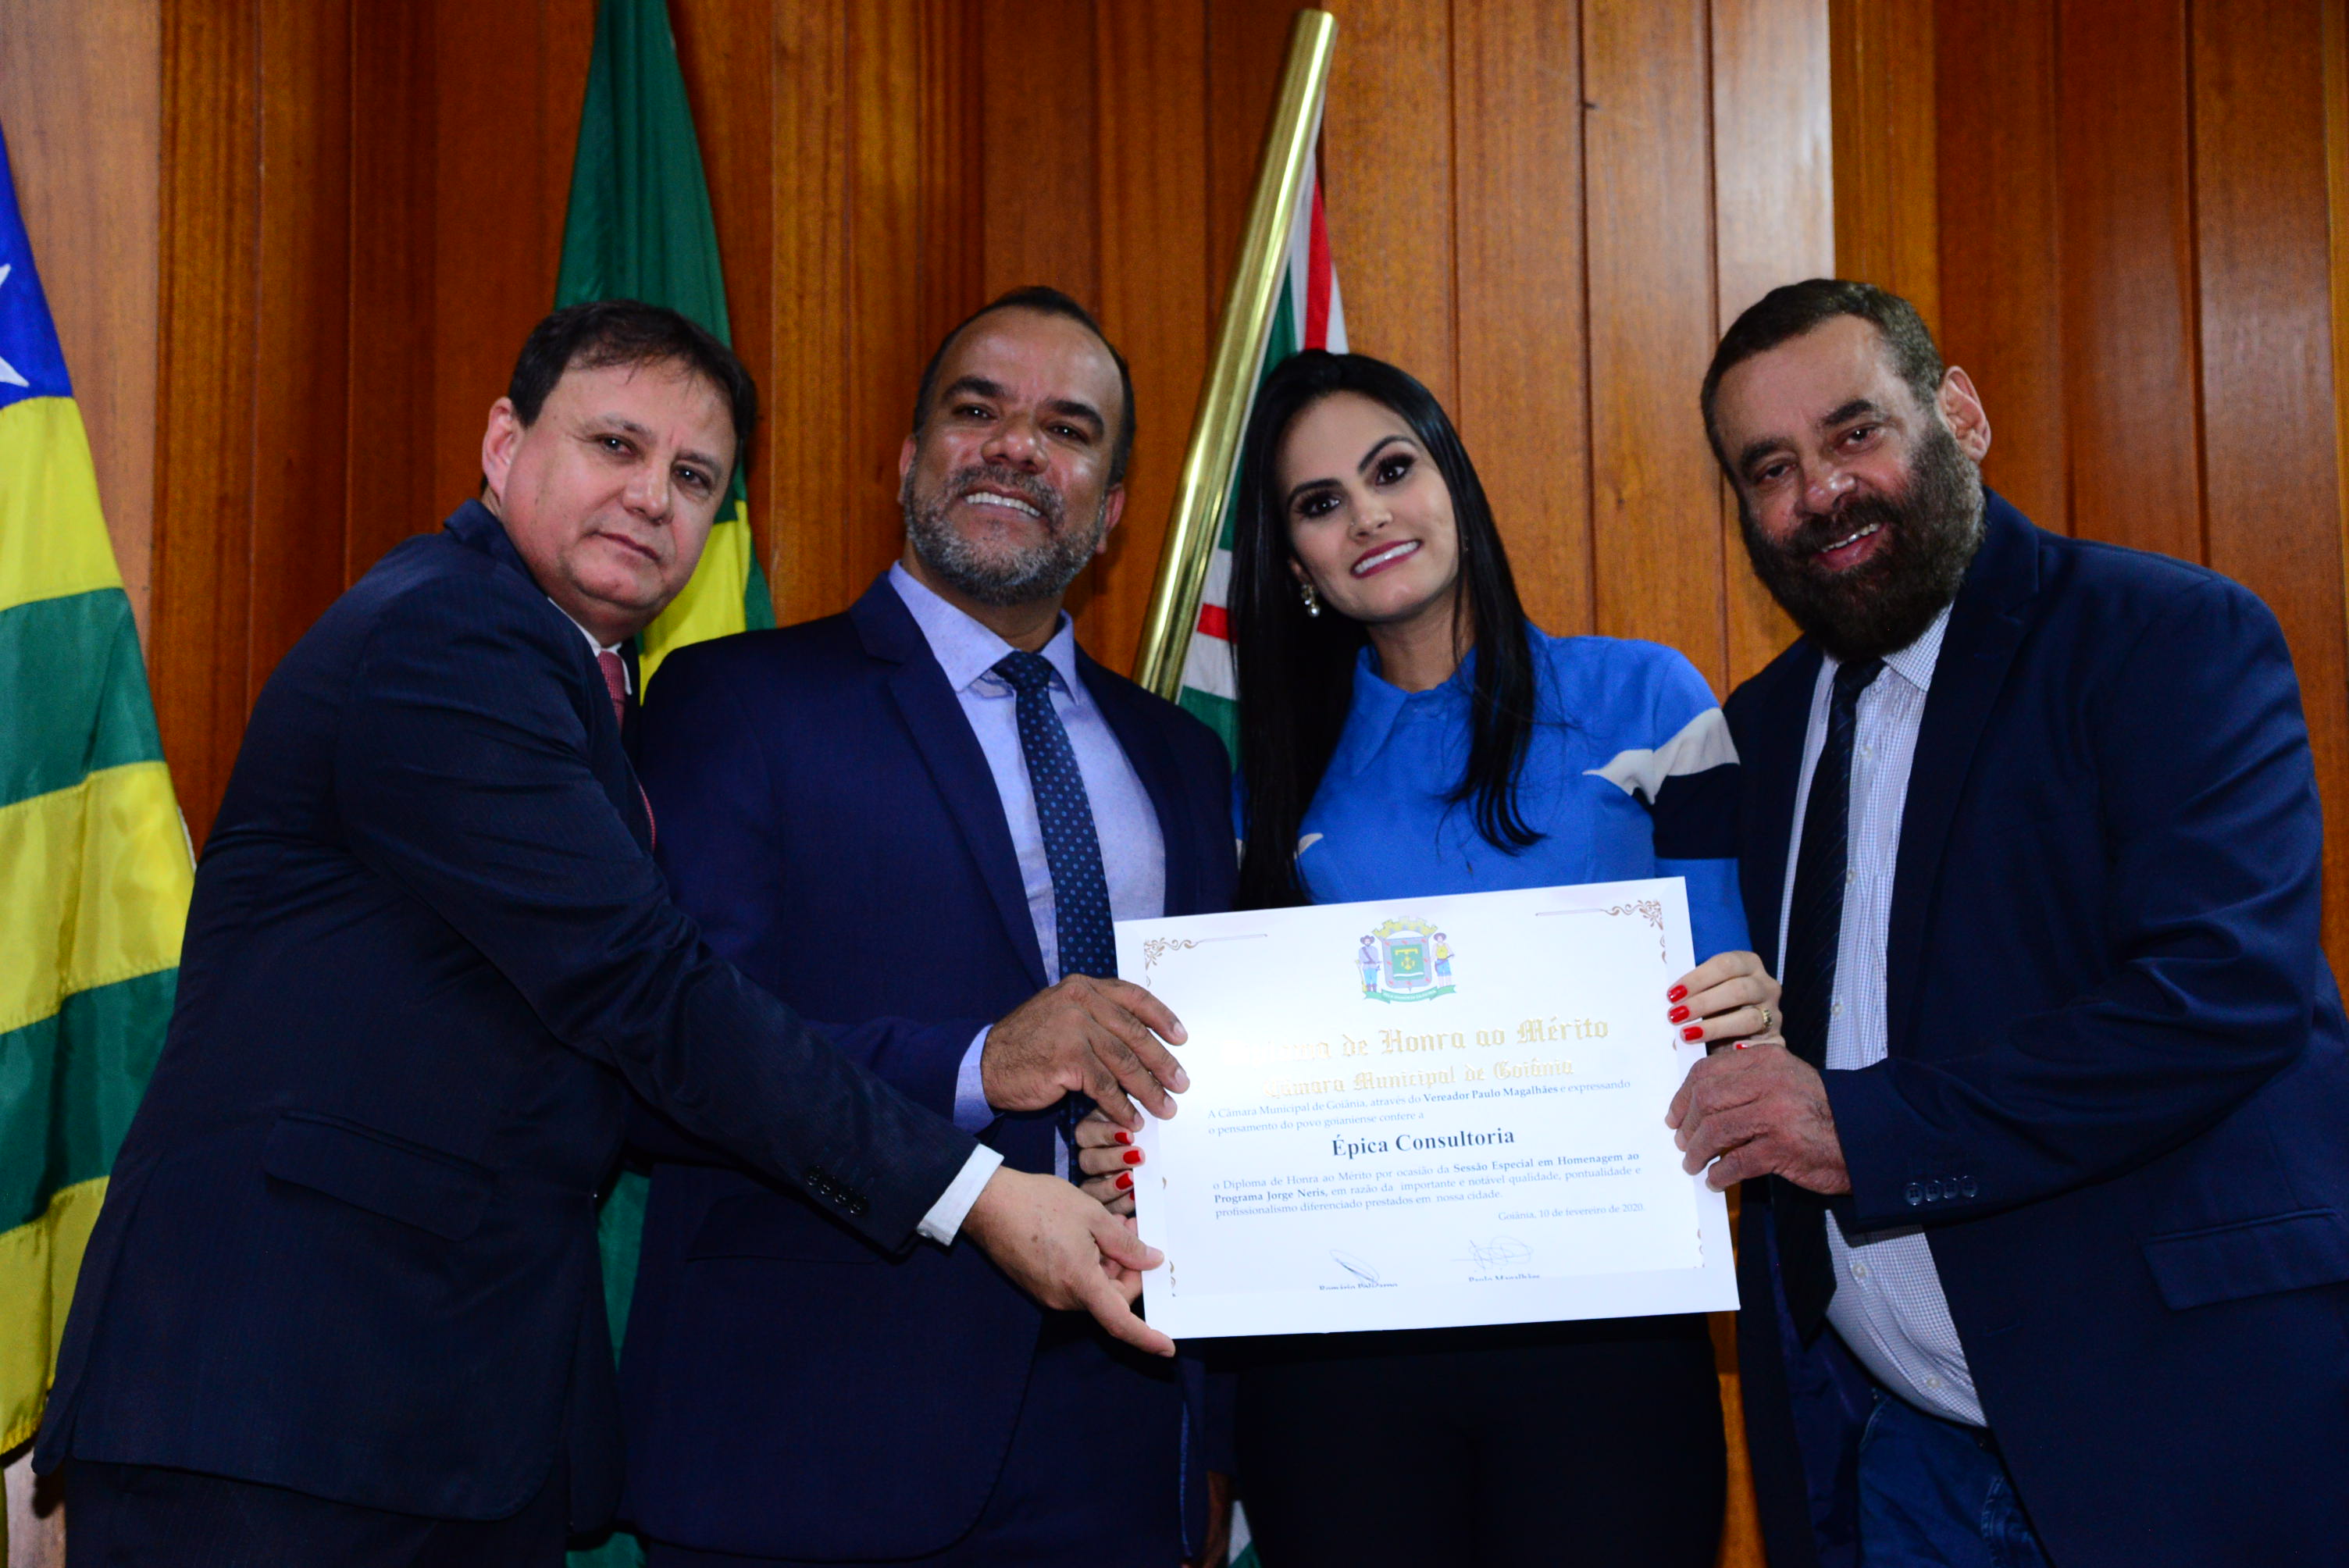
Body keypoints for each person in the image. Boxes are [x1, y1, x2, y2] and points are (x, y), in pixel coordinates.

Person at [34, 300, 1180, 1566]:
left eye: (693, 478)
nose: (649, 497)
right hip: (282, 1395)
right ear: (504, 444)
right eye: (615, 445)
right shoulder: (447, 634)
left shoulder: (575, 678)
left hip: (434, 1408)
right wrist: (977, 1193)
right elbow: (646, 986)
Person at [1674, 278, 2349, 1568]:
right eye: (1772, 468)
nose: (1821, 491)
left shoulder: (2165, 637)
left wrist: (1862, 1128)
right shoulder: (1762, 728)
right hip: (1900, 1458)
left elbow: (2223, 993)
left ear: (1961, 416)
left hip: (2175, 1431)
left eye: (1855, 431)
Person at [1110, 348, 1779, 1568]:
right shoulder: (1265, 787)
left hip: (1609, 1332)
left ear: (1452, 482)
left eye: (1392, 470)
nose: (1367, 516)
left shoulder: (1648, 696)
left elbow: (1725, 993)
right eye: (1320, 503)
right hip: (1339, 1366)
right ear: (1295, 564)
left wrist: (1748, 1013)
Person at [618, 287, 1234, 1568]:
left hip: (1122, 1438)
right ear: (909, 459)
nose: (1015, 445)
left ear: (1114, 508)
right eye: (977, 410)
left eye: (1066, 429)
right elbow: (664, 1059)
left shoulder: (1181, 758)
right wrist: (977, 1063)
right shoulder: (739, 700)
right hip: (815, 1439)